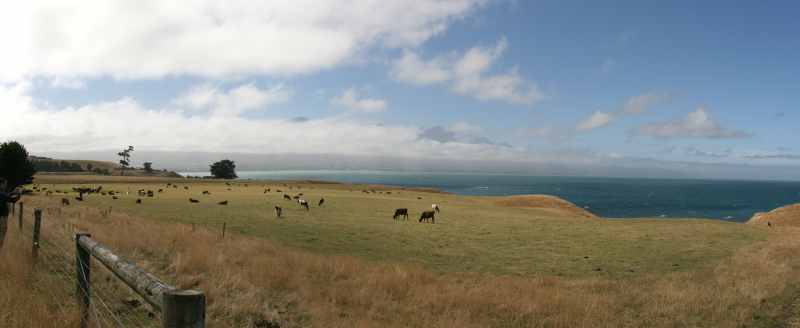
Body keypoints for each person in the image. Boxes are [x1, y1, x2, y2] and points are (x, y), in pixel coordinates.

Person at [0, 178, 21, 250]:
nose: (5, 185)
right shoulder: (2, 194)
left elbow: (5, 196)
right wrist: (19, 194)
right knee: (2, 233)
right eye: (5, 184)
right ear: (1, 184)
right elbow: (12, 200)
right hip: (2, 217)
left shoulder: (2, 194)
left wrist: (12, 193)